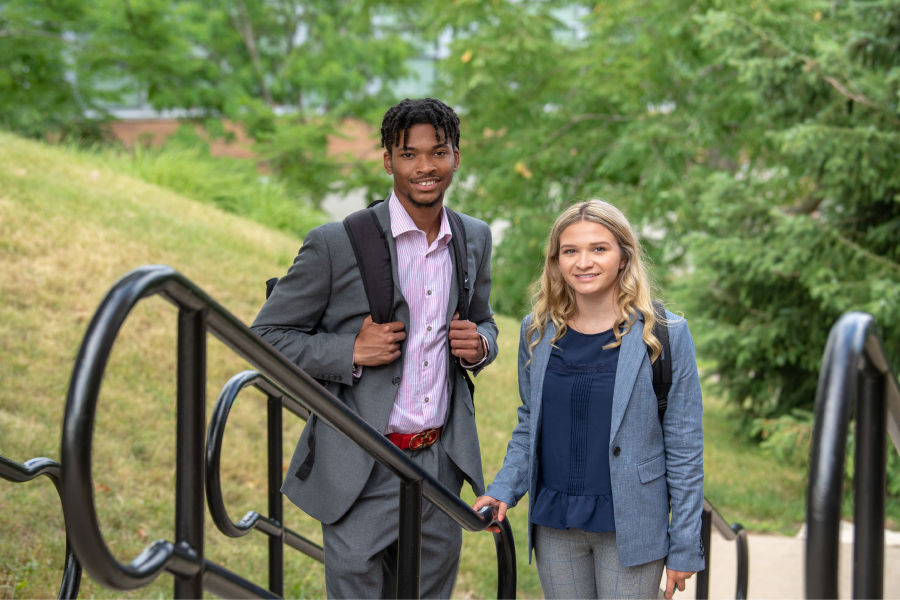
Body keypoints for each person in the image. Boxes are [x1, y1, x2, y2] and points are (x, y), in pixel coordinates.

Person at [251, 98, 498, 600]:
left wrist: (482, 346)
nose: (425, 166)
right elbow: (265, 338)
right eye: (409, 154)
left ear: (456, 156)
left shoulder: (474, 237)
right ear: (388, 160)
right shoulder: (335, 243)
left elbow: (485, 320)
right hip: (361, 462)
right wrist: (349, 351)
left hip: (440, 463)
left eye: (439, 152)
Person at [473, 200, 704, 600]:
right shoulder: (538, 332)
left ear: (623, 256)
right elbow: (531, 423)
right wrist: (503, 489)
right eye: (570, 250)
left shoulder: (665, 333)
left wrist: (685, 545)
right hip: (555, 523)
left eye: (599, 248)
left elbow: (685, 449)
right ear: (556, 260)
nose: (584, 262)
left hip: (631, 525)